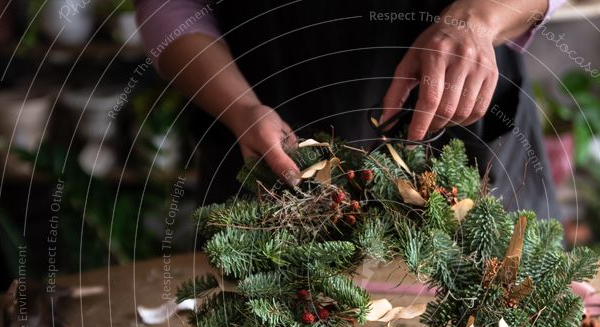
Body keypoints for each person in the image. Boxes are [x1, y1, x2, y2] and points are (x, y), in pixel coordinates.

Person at [135, 0, 563, 218]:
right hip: (262, 136)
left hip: (467, 128)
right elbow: (172, 7)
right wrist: (240, 107)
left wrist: (479, 16)